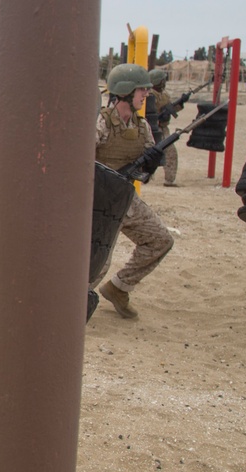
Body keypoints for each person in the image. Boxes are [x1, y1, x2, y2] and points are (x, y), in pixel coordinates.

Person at [92, 63, 173, 319]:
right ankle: (66, 306)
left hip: (126, 198)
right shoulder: (100, 123)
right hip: (100, 202)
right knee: (97, 264)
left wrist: (149, 165)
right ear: (125, 92)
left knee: (161, 240)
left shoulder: (142, 127)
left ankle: (119, 287)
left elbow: (144, 174)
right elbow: (78, 164)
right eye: (141, 91)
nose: (145, 96)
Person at [148, 68, 180, 187]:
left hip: (163, 128)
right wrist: (159, 117)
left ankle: (169, 179)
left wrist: (178, 105)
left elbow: (170, 108)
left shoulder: (164, 94)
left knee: (171, 153)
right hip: (153, 128)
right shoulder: (149, 95)